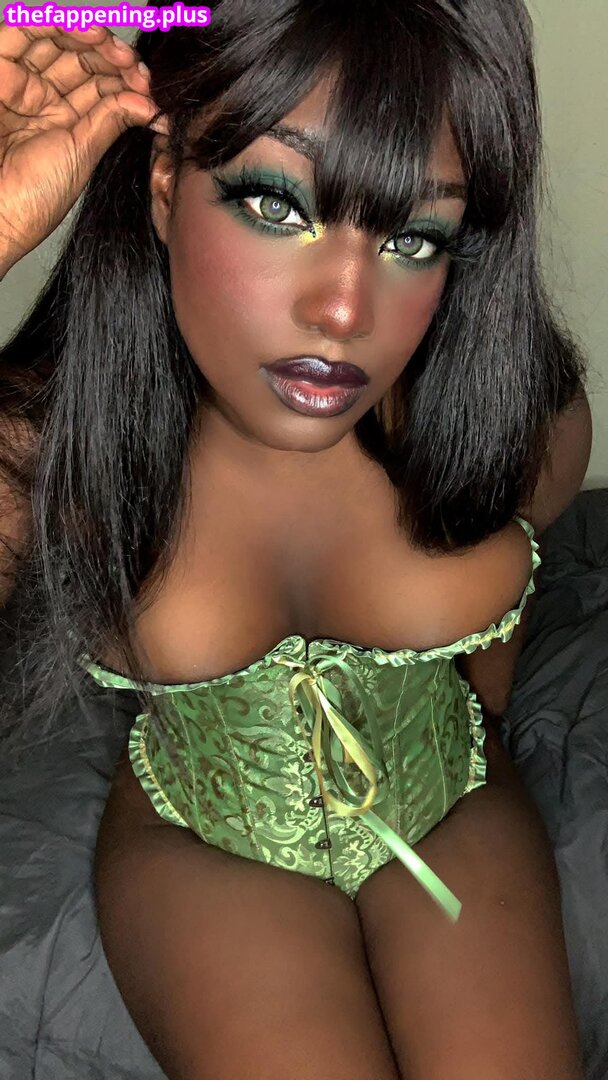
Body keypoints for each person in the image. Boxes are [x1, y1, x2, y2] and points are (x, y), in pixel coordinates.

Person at [0, 1, 593, 1076]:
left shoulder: (501, 410)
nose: (343, 311)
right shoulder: (48, 444)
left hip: (451, 804)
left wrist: (485, 709)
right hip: (205, 848)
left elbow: (511, 587)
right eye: (276, 205)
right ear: (165, 183)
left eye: (413, 237)